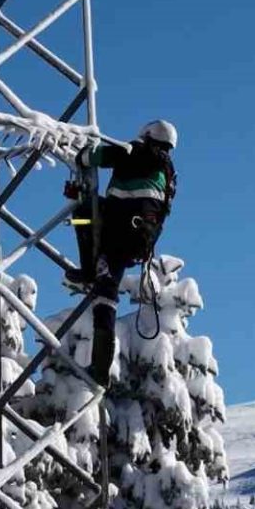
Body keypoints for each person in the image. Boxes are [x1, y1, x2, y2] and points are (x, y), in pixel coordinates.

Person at [65, 119, 178, 385]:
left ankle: (100, 369)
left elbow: (91, 157)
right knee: (108, 294)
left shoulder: (133, 151)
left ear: (147, 135)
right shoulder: (168, 171)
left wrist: (81, 156)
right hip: (140, 241)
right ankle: (101, 368)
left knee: (81, 214)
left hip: (117, 231)